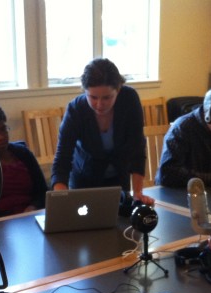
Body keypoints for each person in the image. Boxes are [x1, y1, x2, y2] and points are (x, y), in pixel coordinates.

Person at [51, 58, 154, 206]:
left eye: (107, 97)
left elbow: (137, 147)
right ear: (84, 91)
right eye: (93, 97)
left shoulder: (129, 99)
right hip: (84, 181)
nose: (99, 104)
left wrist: (138, 192)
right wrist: (61, 199)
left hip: (119, 179)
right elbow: (62, 159)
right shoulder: (76, 110)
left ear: (118, 89)